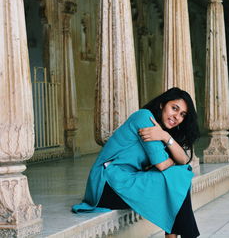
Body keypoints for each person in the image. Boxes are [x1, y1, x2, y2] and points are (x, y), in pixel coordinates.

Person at [72, 87, 200, 238]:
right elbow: (162, 164)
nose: (176, 116)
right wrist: (172, 159)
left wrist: (166, 137)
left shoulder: (161, 131)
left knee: (178, 177)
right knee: (177, 176)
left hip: (124, 181)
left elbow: (184, 160)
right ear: (162, 105)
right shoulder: (145, 118)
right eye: (174, 108)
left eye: (182, 114)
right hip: (106, 185)